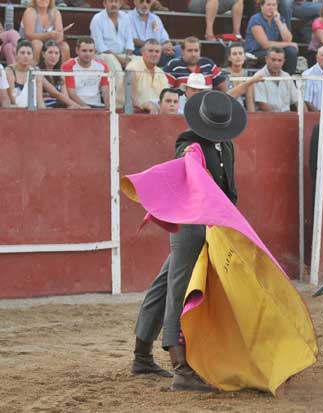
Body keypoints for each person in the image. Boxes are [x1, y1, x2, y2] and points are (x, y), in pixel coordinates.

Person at [131, 90, 247, 392]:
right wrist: (189, 159)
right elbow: (186, 165)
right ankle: (181, 369)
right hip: (191, 224)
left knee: (165, 282)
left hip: (214, 223)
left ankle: (142, 355)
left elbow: (229, 190)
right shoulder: (188, 142)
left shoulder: (227, 145)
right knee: (179, 289)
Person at [91, 0, 135, 106]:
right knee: (114, 64)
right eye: (110, 1)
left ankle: (138, 99)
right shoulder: (97, 19)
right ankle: (120, 103)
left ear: (120, 4)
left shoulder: (126, 17)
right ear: (104, 3)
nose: (113, 4)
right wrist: (120, 59)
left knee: (139, 62)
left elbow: (129, 39)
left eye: (116, 1)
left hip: (123, 54)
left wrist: (128, 57)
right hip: (103, 55)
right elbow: (99, 45)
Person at [244, 0, 298, 74]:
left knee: (291, 51)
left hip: (273, 49)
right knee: (275, 53)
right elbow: (265, 44)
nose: (271, 8)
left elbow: (288, 39)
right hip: (257, 51)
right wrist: (288, 44)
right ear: (262, 6)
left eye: (274, 5)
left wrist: (278, 22)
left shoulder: (279, 18)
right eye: (268, 5)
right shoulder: (255, 19)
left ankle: (288, 78)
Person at [128, 0, 181, 67]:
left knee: (178, 49)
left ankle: (171, 73)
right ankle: (164, 70)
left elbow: (164, 38)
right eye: (141, 1)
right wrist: (160, 48)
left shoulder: (155, 18)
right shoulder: (128, 17)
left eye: (148, 2)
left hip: (159, 50)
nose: (145, 4)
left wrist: (168, 46)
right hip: (139, 50)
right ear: (135, 2)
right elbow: (133, 40)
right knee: (147, 51)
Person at [61, 37, 110, 108]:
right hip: (77, 107)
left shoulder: (102, 66)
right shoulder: (68, 66)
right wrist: (85, 106)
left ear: (94, 51)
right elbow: (72, 93)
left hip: (97, 105)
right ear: (77, 50)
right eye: (84, 51)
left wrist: (108, 109)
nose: (88, 54)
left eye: (91, 51)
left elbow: (105, 90)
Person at [19, 0, 70, 64]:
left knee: (64, 46)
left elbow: (60, 36)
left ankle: (64, 73)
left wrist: (51, 45)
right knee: (37, 44)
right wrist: (49, 35)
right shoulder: (30, 11)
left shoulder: (55, 12)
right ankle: (34, 71)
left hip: (48, 44)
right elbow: (29, 35)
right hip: (27, 43)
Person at [126, 38, 169, 112]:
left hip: (156, 114)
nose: (154, 54)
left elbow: (166, 98)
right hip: (136, 114)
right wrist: (146, 105)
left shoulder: (161, 73)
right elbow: (131, 101)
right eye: (150, 51)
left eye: (157, 51)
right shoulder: (132, 68)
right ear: (142, 52)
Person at [38, 40, 82, 108]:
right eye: (50, 52)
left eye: (56, 53)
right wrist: (77, 106)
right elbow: (55, 93)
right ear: (43, 54)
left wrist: (71, 106)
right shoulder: (37, 70)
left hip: (59, 106)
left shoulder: (60, 72)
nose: (53, 56)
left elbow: (65, 96)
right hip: (44, 107)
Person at [254, 46, 298, 112]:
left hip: (286, 116)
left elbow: (297, 100)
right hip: (266, 117)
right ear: (266, 59)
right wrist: (278, 119)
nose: (276, 63)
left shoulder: (287, 76)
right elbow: (262, 105)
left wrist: (306, 118)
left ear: (284, 61)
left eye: (279, 60)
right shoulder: (258, 76)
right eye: (273, 60)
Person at [5, 40, 44, 108]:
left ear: (32, 56)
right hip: (14, 109)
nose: (26, 56)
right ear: (16, 55)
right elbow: (13, 98)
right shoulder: (9, 71)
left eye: (29, 53)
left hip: (32, 110)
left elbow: (39, 100)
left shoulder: (36, 72)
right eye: (22, 53)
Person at [224, 43, 256, 111]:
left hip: (242, 112)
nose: (238, 56)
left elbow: (249, 100)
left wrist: (253, 118)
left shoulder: (248, 74)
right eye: (234, 54)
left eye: (240, 53)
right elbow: (225, 98)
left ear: (244, 57)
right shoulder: (223, 74)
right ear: (229, 58)